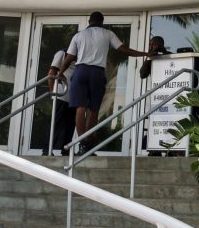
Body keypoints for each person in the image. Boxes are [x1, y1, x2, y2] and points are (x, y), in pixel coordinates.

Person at [56, 12, 147, 154]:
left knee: (80, 108)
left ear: (89, 21)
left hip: (80, 71)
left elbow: (69, 57)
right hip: (97, 72)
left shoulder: (79, 36)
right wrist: (144, 54)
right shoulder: (108, 34)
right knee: (93, 109)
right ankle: (87, 143)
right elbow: (123, 49)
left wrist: (60, 72)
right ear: (102, 21)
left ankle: (82, 142)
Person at [44, 46, 76, 154]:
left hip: (74, 97)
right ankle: (47, 150)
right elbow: (51, 74)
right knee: (56, 123)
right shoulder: (62, 53)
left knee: (70, 125)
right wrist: (53, 91)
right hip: (61, 95)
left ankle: (66, 150)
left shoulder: (80, 57)